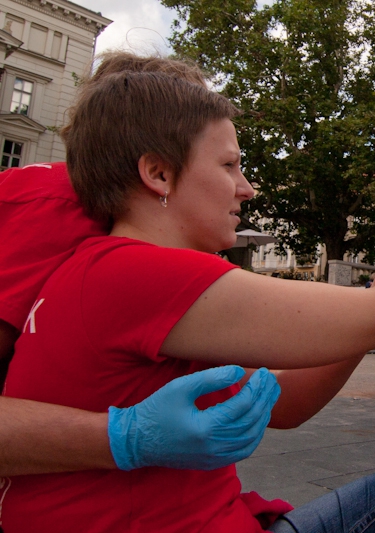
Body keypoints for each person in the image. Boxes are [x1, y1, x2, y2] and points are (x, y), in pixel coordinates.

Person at [2, 52, 375, 533]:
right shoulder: (135, 271)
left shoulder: (108, 271)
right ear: (157, 173)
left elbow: (283, 404)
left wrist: (363, 324)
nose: (247, 188)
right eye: (228, 166)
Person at [0, 53, 290, 479]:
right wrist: (121, 436)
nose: (244, 187)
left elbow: (282, 402)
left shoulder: (127, 228)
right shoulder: (57, 205)